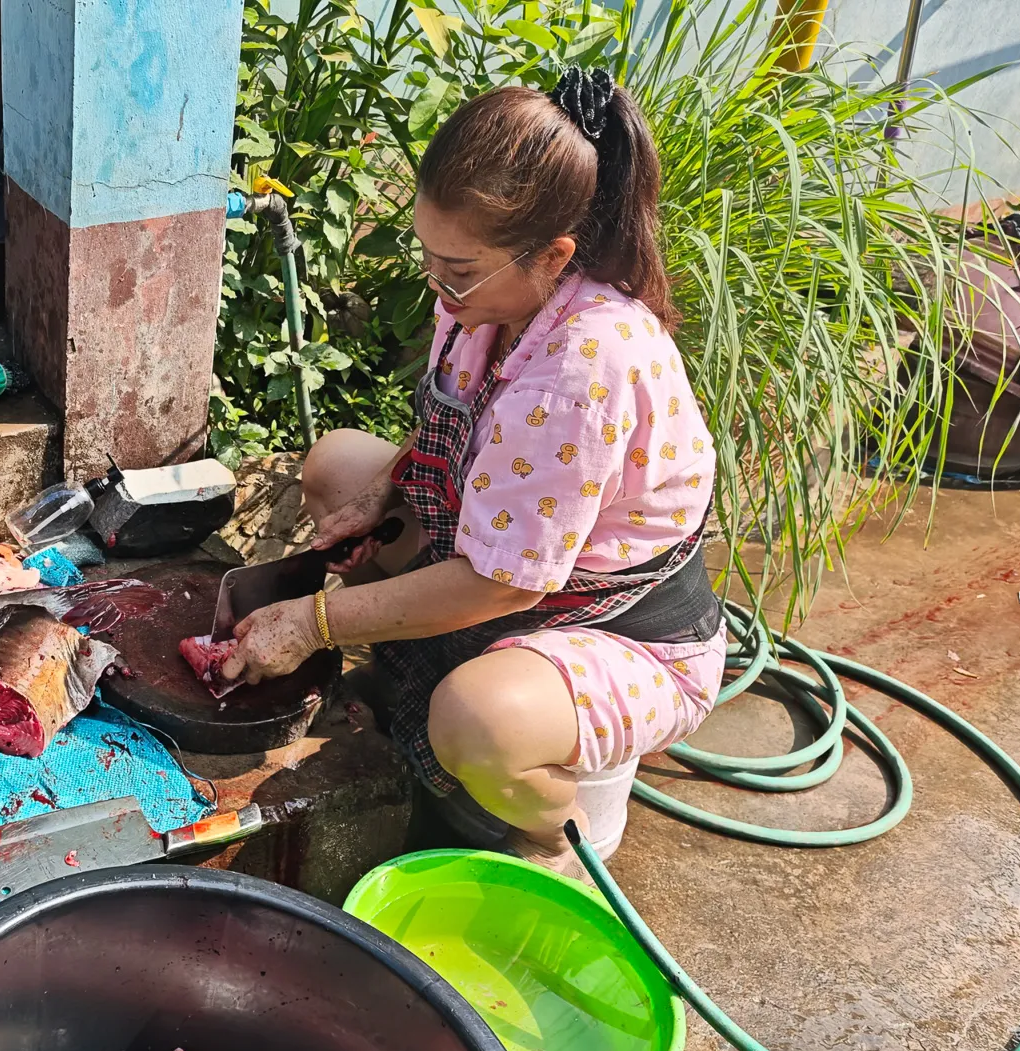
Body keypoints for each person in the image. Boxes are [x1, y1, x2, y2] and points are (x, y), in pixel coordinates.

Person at [219, 67, 728, 875]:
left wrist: (311, 623)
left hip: (609, 625)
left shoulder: (585, 364)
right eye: (430, 256)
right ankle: (428, 685)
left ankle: (552, 834)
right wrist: (383, 491)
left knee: (475, 721)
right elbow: (452, 430)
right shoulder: (484, 296)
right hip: (506, 561)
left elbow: (503, 586)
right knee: (336, 464)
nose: (438, 284)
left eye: (456, 268)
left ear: (555, 254)